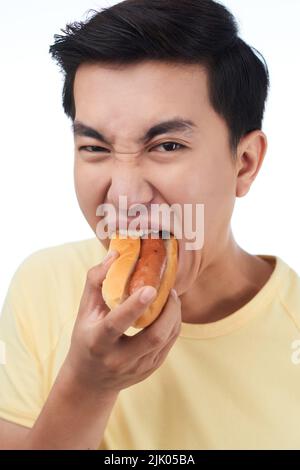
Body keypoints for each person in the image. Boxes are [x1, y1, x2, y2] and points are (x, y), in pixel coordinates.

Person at [1, 0, 300, 450]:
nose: (123, 195)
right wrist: (87, 387)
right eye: (95, 148)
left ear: (244, 163)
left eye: (167, 146)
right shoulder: (43, 283)